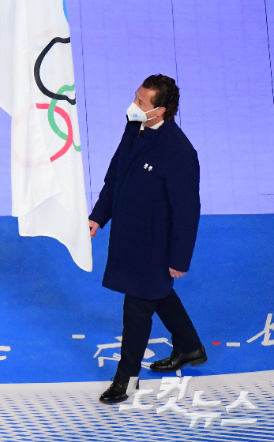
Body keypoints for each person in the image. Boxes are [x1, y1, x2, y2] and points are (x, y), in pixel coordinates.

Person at [89, 74, 207, 404]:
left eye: (142, 103)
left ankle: (125, 380)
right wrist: (98, 216)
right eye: (136, 98)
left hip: (156, 244)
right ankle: (189, 346)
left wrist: (179, 259)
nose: (134, 106)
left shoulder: (179, 152)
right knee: (158, 294)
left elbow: (187, 211)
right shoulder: (134, 128)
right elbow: (115, 178)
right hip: (130, 236)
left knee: (137, 309)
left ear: (162, 110)